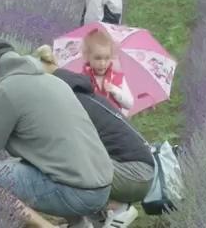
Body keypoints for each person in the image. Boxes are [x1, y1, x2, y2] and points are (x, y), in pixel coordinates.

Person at [0, 39, 114, 228]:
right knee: (30, 162)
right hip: (103, 187)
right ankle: (81, 225)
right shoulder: (54, 80)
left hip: (77, 192)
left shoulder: (3, 91)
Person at [33, 45, 155, 228]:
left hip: (134, 175)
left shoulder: (68, 100)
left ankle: (116, 209)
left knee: (59, 165)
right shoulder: (81, 92)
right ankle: (96, 219)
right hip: (138, 170)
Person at [82, 29, 134, 116]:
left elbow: (129, 104)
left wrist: (114, 90)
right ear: (87, 56)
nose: (102, 63)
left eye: (107, 58)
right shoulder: (83, 78)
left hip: (113, 123)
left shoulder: (118, 78)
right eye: (97, 58)